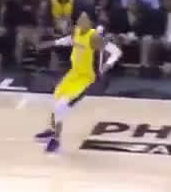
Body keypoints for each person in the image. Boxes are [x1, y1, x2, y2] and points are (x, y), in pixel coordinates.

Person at [34, 12, 121, 153]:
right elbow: (67, 40)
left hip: (85, 78)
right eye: (80, 18)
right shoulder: (77, 32)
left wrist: (107, 65)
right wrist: (50, 44)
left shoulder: (94, 37)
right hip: (73, 74)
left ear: (90, 23)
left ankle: (56, 140)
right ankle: (51, 130)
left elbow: (116, 51)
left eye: (85, 18)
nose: (81, 20)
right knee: (56, 98)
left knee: (61, 105)